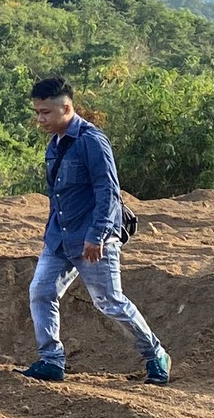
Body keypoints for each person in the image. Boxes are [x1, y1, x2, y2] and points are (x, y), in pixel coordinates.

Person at [21, 75, 170, 386]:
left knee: (110, 302)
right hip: (59, 238)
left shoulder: (91, 140)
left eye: (45, 112)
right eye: (37, 112)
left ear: (66, 108)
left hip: (92, 240)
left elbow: (108, 191)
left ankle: (156, 355)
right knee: (41, 291)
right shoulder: (56, 143)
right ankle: (50, 361)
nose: (40, 119)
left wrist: (97, 235)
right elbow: (58, 196)